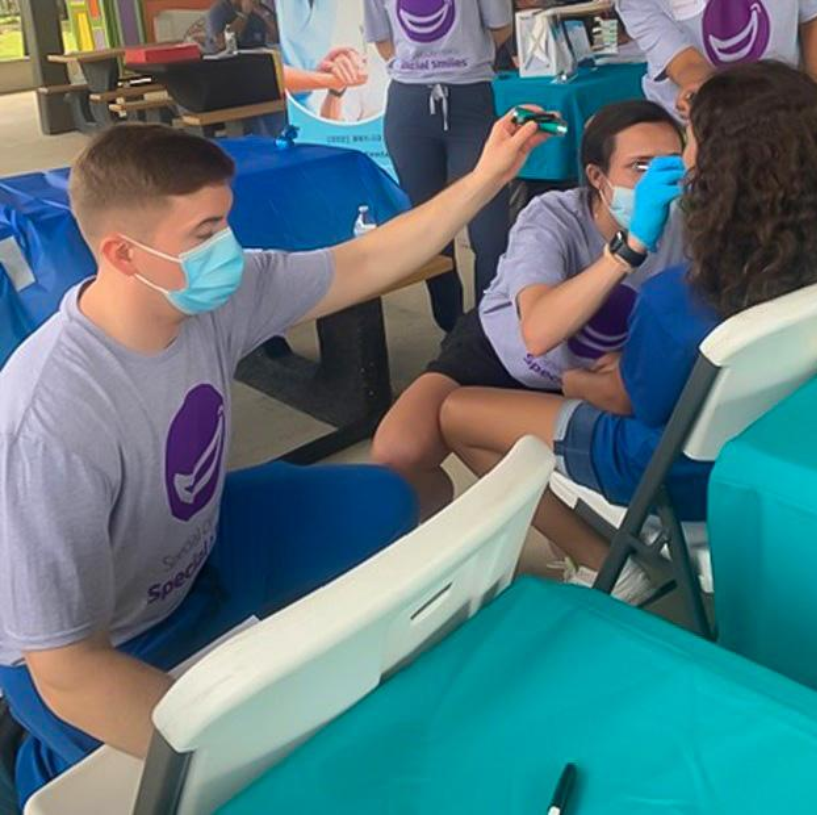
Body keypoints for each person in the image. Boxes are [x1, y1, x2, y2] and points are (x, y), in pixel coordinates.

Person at [0, 115, 545, 805]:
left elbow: (367, 261)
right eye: (203, 235)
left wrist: (485, 177)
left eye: (224, 222)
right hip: (99, 643)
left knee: (407, 494)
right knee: (193, 781)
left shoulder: (215, 296)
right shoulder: (46, 420)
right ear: (124, 253)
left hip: (196, 544)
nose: (226, 247)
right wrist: (249, 749)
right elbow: (68, 668)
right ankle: (33, 763)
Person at [439, 61, 817, 604]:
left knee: (456, 414)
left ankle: (607, 561)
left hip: (678, 472)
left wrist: (579, 385)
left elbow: (626, 401)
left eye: (687, 147)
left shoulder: (676, 300)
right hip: (775, 442)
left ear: (714, 170)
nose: (677, 165)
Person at [372, 100, 686, 519]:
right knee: (397, 453)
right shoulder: (553, 216)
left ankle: (590, 556)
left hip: (590, 374)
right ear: (598, 177)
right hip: (500, 352)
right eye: (640, 168)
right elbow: (536, 333)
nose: (657, 184)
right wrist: (629, 249)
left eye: (671, 166)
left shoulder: (687, 224)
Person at [365, 0, 514, 332]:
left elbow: (501, 26)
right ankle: (451, 328)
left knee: (489, 231)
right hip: (409, 106)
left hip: (470, 101)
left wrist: (462, 60)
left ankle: (488, 331)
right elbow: (382, 39)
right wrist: (419, 66)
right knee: (430, 229)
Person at [616, 0, 817, 119]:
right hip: (707, 120)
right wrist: (708, 96)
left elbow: (814, 20)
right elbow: (686, 64)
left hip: (786, 109)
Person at [205, 0, 279, 53]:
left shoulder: (261, 8)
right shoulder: (219, 9)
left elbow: (276, 38)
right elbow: (221, 44)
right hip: (229, 63)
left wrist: (263, 14)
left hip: (257, 58)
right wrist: (244, 15)